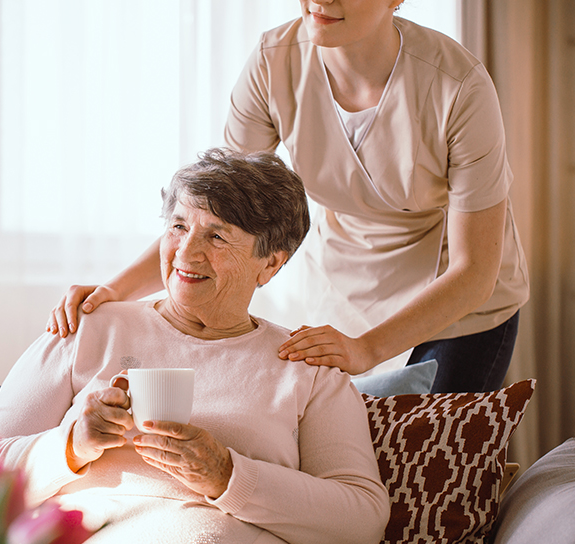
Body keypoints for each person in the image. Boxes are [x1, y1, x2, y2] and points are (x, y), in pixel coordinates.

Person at [47, 2, 529, 394]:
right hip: (344, 292)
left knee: (425, 475)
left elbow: (474, 273)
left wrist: (366, 349)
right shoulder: (274, 60)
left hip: (455, 303)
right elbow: (215, 211)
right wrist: (114, 290)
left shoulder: (458, 86)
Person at [0, 149, 389, 544]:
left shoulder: (306, 367)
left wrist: (228, 475)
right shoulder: (85, 327)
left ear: (270, 264)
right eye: (178, 227)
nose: (186, 253)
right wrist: (71, 444)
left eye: (217, 236)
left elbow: (360, 525)